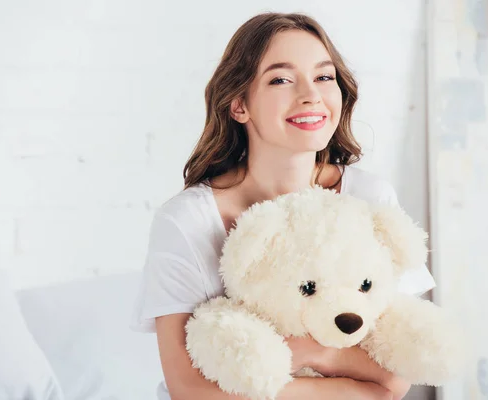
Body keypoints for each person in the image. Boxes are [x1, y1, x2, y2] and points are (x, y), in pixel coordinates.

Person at [131, 11, 436, 400]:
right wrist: (353, 387)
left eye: (324, 76)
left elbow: (397, 375)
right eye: (281, 79)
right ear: (239, 104)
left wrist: (306, 352)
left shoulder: (369, 199)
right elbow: (190, 389)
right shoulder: (187, 221)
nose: (311, 95)